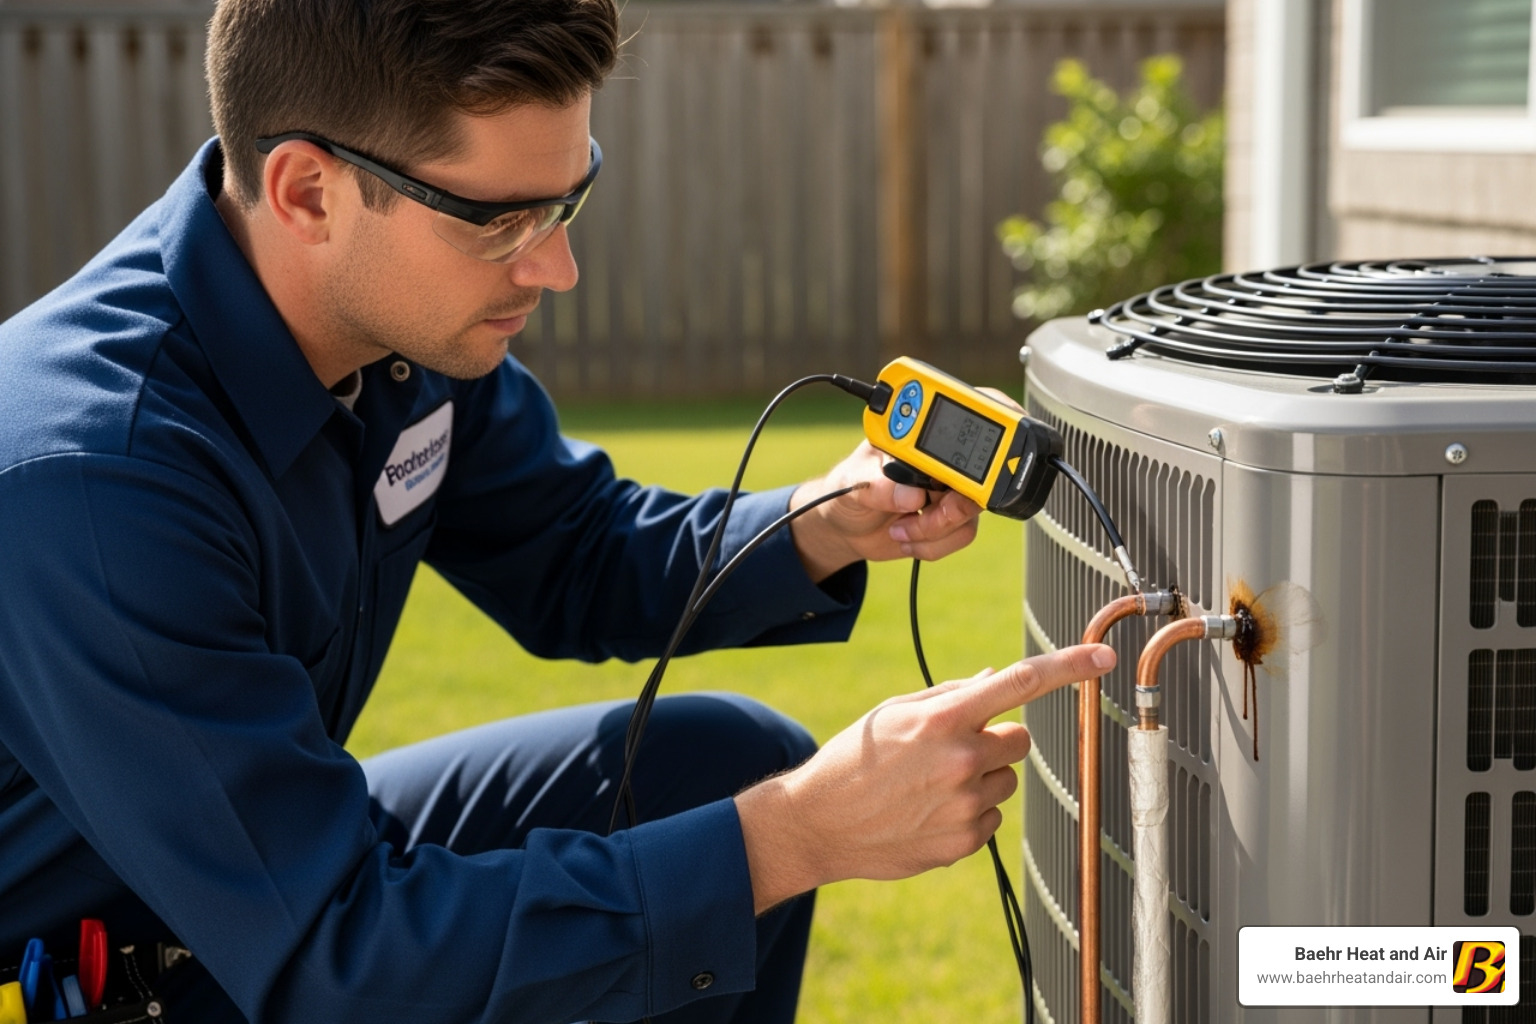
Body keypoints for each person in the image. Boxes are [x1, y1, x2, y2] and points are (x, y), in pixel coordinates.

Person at [0, 0, 1114, 1021]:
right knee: (750, 819)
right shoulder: (97, 481)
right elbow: (337, 958)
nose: (559, 265)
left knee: (719, 761)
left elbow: (576, 551)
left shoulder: (398, 336)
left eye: (568, 200)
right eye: (502, 222)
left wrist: (822, 519)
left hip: (246, 891)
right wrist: (799, 834)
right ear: (309, 192)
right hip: (76, 971)